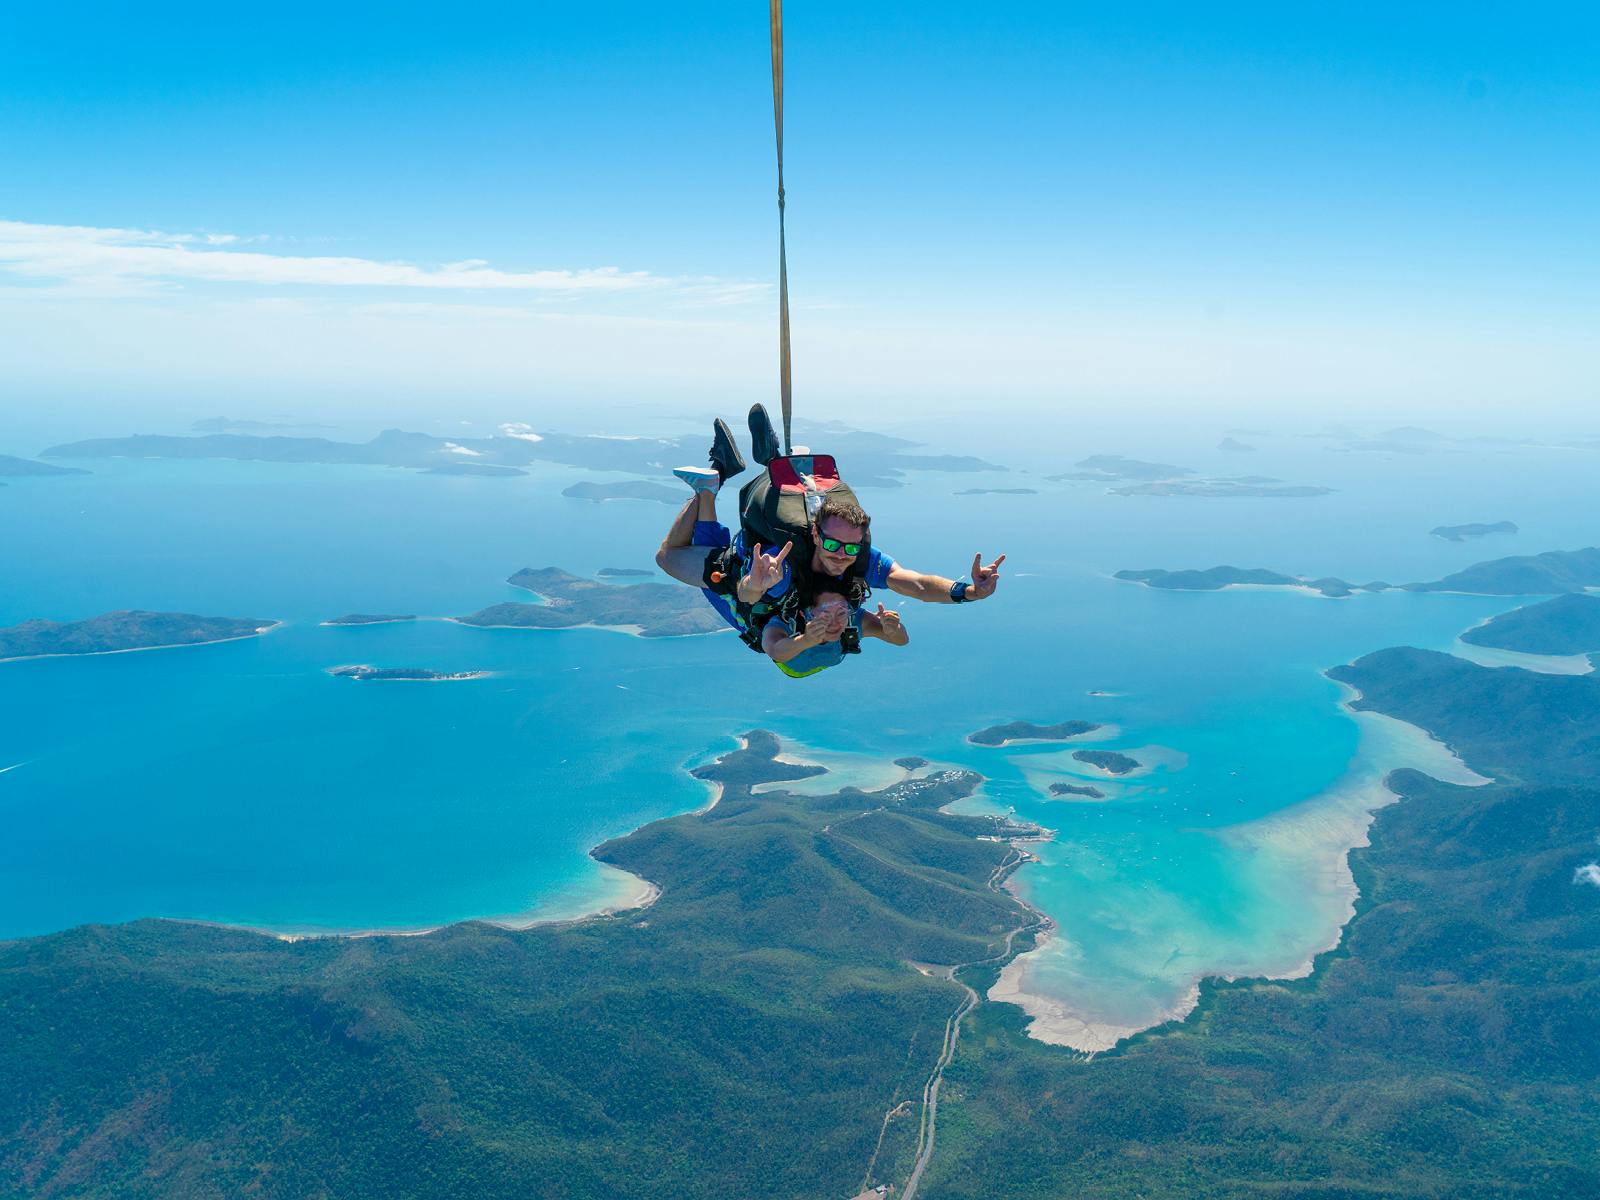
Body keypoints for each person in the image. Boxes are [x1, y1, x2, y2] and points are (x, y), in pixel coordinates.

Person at [655, 406, 1004, 667]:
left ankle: (722, 477)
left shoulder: (845, 569)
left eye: (851, 546)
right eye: (834, 544)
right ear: (816, 536)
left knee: (676, 559)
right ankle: (722, 478)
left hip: (750, 580)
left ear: (809, 615)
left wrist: (969, 592)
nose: (842, 554)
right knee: (671, 556)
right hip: (759, 571)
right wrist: (967, 593)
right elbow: (904, 624)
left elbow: (916, 584)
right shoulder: (796, 573)